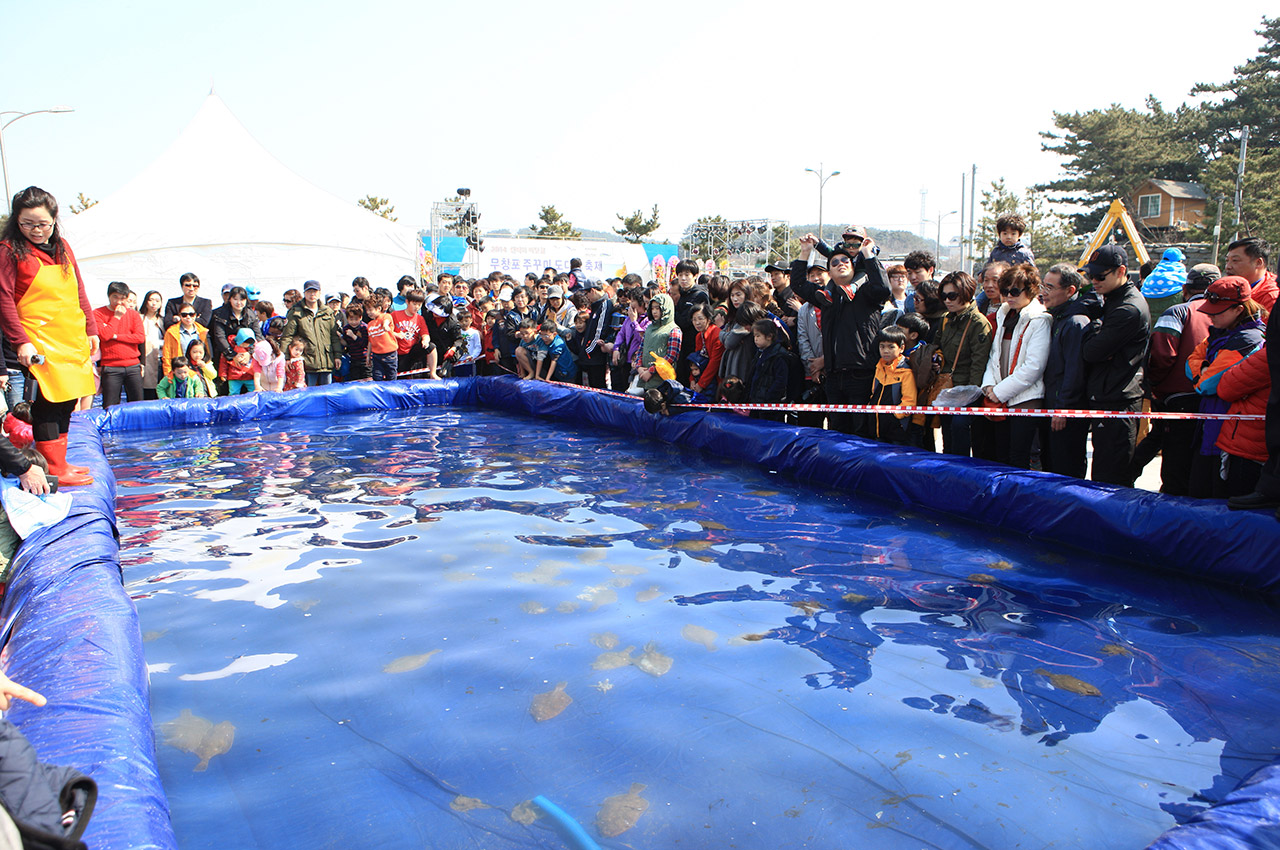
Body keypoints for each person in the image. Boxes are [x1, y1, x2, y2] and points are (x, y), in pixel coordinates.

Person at [0, 187, 97, 486]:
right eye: (27, 224)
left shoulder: (63, 247)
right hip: (38, 337)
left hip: (69, 336)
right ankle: (52, 465)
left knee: (68, 399)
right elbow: (3, 299)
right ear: (16, 221)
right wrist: (21, 341)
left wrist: (91, 328)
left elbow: (78, 289)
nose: (36, 230)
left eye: (43, 223)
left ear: (55, 219)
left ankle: (61, 461)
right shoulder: (8, 250)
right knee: (48, 402)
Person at [790, 233, 890, 436]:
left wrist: (868, 255)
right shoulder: (826, 297)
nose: (840, 264)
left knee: (861, 431)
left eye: (845, 260)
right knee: (837, 430)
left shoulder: (868, 294)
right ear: (829, 271)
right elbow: (798, 284)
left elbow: (883, 288)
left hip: (862, 373)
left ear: (854, 267)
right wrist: (805, 252)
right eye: (834, 262)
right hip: (834, 375)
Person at [1139, 263, 1219, 494]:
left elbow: (1162, 356)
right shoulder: (1228, 315)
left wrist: (1154, 385)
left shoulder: (1178, 312)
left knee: (1175, 461)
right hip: (1215, 400)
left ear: (1185, 289)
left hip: (1176, 398)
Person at [1186, 276, 1266, 498]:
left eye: (1217, 311)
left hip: (1227, 436)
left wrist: (1200, 372)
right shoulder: (1219, 332)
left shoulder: (1248, 339)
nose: (1210, 315)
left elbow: (1207, 385)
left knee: (1214, 499)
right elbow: (1191, 360)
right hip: (1209, 426)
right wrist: (1202, 370)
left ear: (1239, 310)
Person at [1081, 245, 1150, 486]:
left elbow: (1091, 351)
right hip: (1107, 395)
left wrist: (1094, 325)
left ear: (1121, 271)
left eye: (1100, 276)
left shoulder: (1127, 308)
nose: (1094, 281)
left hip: (1118, 400)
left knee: (1112, 481)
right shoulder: (1112, 300)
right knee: (1103, 475)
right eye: (1090, 275)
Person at [980, 264, 1051, 470]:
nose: (1009, 296)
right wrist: (989, 387)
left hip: (1025, 399)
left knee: (1018, 457)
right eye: (1005, 291)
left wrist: (999, 392)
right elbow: (994, 356)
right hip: (999, 398)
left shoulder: (1040, 320)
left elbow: (1033, 367)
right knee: (1000, 454)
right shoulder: (1003, 315)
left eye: (1015, 291)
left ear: (1031, 290)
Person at [1039, 264, 1097, 479]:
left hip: (1065, 412)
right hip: (1052, 407)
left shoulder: (1075, 322)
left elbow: (1074, 371)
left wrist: (1063, 408)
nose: (1044, 292)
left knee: (1066, 470)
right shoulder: (1058, 317)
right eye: (1043, 285)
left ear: (1070, 291)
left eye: (1050, 287)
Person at [933, 271, 993, 457]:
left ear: (966, 293)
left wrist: (970, 394)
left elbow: (979, 362)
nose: (948, 300)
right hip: (947, 386)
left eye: (952, 295)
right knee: (947, 436)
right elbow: (938, 346)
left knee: (961, 432)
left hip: (968, 389)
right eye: (944, 296)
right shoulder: (945, 319)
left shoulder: (979, 323)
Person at [93, 280, 145, 409]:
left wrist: (116, 336)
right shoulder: (98, 313)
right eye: (115, 297)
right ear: (109, 296)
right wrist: (116, 317)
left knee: (137, 404)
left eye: (123, 298)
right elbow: (104, 335)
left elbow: (139, 338)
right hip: (111, 367)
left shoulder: (133, 315)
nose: (119, 302)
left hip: (132, 365)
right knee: (110, 405)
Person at [282, 280, 343, 386]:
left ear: (319, 293)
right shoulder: (296, 312)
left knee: (326, 395)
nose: (312, 294)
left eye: (315, 291)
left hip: (326, 362)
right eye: (309, 291)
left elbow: (334, 337)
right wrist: (286, 358)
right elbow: (287, 337)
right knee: (308, 396)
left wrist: (337, 355)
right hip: (306, 363)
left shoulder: (327, 312)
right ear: (304, 293)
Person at [868, 325, 918, 445]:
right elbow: (874, 393)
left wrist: (895, 417)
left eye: (891, 347)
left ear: (901, 348)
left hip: (896, 430)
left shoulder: (906, 371)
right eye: (882, 346)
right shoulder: (879, 367)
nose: (885, 351)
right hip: (877, 427)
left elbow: (909, 401)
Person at [209, 285, 257, 390]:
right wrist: (232, 355)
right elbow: (219, 336)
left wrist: (250, 353)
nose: (239, 302)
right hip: (226, 356)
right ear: (230, 299)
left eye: (242, 299)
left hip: (248, 358)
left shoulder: (251, 314)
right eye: (235, 299)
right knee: (228, 389)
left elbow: (258, 335)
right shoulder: (220, 314)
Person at [672, 260, 710, 385]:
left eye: (687, 275)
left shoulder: (699, 295)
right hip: (681, 346)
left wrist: (673, 312)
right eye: (680, 275)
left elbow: (685, 321)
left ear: (695, 275)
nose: (683, 278)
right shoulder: (682, 294)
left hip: (695, 346)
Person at [636, 293, 682, 392]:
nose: (654, 311)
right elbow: (641, 349)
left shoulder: (673, 330)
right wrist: (639, 367)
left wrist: (651, 371)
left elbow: (671, 357)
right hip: (645, 379)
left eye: (658, 308)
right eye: (652, 308)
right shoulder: (649, 328)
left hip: (662, 381)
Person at [577, 280, 615, 389]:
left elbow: (600, 331)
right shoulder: (595, 306)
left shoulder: (605, 304)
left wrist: (588, 350)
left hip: (595, 357)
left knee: (598, 388)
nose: (587, 296)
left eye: (587, 293)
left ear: (593, 290)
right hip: (590, 357)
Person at [1224, 236, 1277, 312]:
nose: (1228, 267)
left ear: (1258, 263)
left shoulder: (1271, 297)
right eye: (1227, 260)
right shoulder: (1228, 289)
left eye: (1235, 260)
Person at [1141, 248, 1188, 324]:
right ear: (1179, 261)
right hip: (1172, 321)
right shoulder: (1181, 276)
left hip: (1150, 323)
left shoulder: (1151, 276)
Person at [687, 303, 723, 399]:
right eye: (694, 320)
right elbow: (695, 360)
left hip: (715, 380)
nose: (697, 322)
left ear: (709, 319)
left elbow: (714, 362)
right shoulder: (699, 336)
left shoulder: (716, 334)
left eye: (700, 318)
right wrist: (692, 380)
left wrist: (701, 384)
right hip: (702, 378)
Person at [162, 305, 208, 377]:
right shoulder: (171, 332)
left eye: (191, 314)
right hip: (180, 372)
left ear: (195, 315)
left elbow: (207, 354)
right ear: (179, 316)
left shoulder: (203, 331)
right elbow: (167, 355)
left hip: (198, 371)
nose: (188, 317)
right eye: (184, 315)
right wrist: (168, 374)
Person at [140, 290, 165, 400]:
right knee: (146, 390)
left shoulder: (162, 321)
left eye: (157, 301)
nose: (154, 303)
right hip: (144, 359)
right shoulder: (140, 318)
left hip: (160, 359)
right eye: (151, 300)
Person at [252, 319, 286, 392]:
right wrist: (257, 387)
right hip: (264, 386)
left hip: (277, 385)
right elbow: (257, 372)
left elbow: (280, 373)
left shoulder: (279, 357)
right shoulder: (256, 356)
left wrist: (279, 388)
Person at [341, 304, 370, 382]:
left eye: (356, 319)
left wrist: (353, 336)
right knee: (355, 381)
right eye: (351, 319)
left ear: (360, 317)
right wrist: (340, 338)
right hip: (353, 359)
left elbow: (365, 344)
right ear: (347, 318)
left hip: (365, 360)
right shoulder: (346, 328)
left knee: (367, 381)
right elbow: (346, 343)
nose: (354, 322)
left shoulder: (364, 327)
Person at [224, 328, 257, 395]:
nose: (246, 345)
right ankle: (232, 404)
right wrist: (223, 373)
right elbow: (223, 361)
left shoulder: (253, 349)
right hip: (234, 375)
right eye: (244, 343)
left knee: (254, 391)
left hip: (249, 374)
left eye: (248, 344)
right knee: (233, 393)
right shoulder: (230, 348)